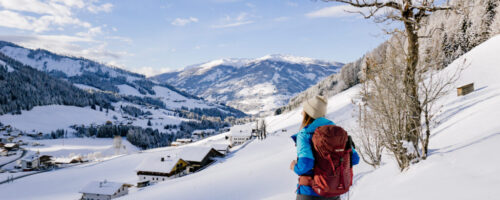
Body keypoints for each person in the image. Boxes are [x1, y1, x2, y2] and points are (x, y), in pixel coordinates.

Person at [290, 95, 360, 200]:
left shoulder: (304, 134)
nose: (301, 113)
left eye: (304, 110)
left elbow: (306, 164)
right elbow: (355, 159)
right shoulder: (338, 133)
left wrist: (294, 166)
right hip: (334, 193)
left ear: (308, 114)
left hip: (310, 192)